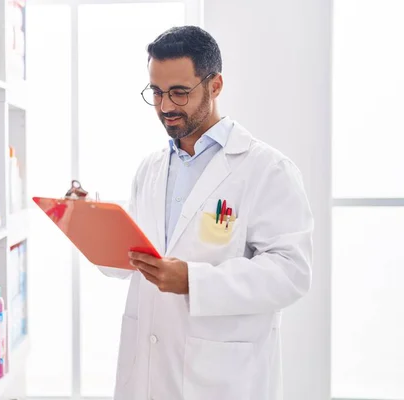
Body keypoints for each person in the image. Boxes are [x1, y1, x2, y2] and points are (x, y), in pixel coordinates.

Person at [98, 26, 313, 400]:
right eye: (157, 92)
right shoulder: (151, 168)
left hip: (222, 377)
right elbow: (130, 258)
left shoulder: (265, 168)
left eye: (179, 92)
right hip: (149, 370)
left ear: (214, 86)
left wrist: (193, 282)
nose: (165, 106)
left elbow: (291, 273)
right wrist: (92, 224)